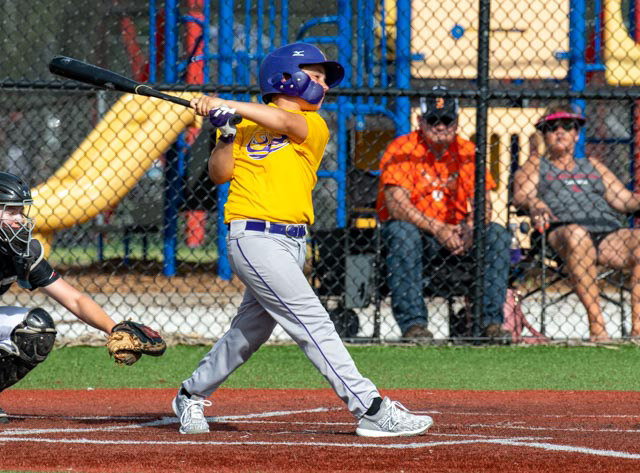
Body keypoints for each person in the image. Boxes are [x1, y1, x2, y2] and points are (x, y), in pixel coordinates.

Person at [172, 42, 433, 437]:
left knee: (249, 333)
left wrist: (223, 103)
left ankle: (190, 394)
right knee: (313, 321)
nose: (324, 85)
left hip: (292, 243)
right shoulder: (245, 126)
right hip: (253, 237)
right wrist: (225, 135)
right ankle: (370, 408)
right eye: (316, 76)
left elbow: (283, 121)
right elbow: (219, 174)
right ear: (286, 77)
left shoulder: (313, 124)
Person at [375, 86, 512, 342]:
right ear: (420, 121)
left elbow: (483, 203)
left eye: (447, 120)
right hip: (420, 234)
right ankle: (414, 326)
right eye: (433, 120)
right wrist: (437, 228)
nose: (440, 126)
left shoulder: (467, 151)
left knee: (496, 234)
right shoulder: (402, 148)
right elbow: (396, 204)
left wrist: (471, 229)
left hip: (459, 233)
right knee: (401, 232)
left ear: (457, 123)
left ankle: (491, 325)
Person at [513, 103, 640, 342]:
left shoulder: (593, 165)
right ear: (544, 134)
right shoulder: (536, 165)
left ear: (577, 134)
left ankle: (638, 330)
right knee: (577, 234)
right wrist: (535, 203)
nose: (560, 131)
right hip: (561, 232)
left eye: (567, 126)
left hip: (606, 233)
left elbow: (624, 200)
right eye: (552, 127)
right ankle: (598, 326)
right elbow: (521, 196)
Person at [0, 171, 117, 423]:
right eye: (11, 212)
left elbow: (74, 299)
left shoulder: (21, 253)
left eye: (21, 211)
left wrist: (114, 329)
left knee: (36, 329)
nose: (20, 219)